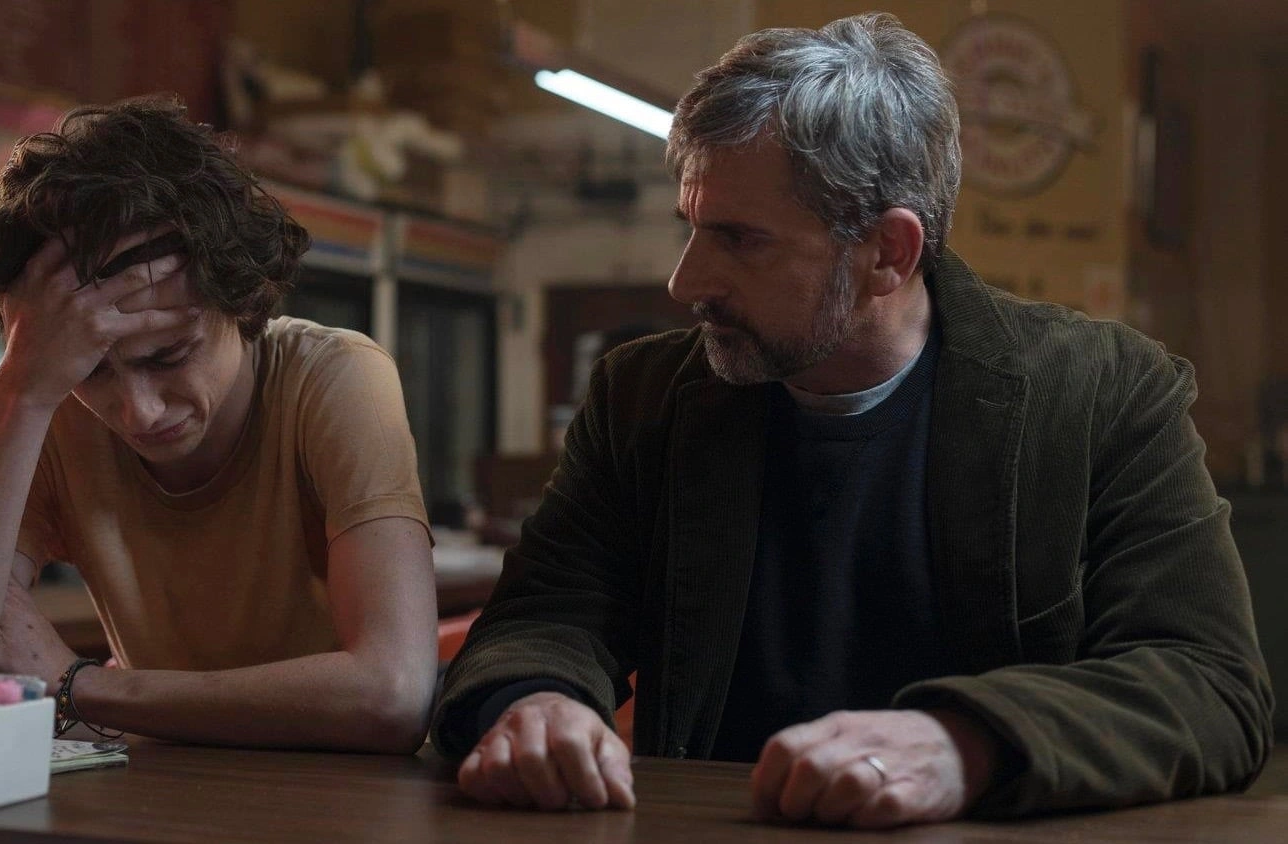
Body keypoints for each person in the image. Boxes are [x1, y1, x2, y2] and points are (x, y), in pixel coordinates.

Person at [432, 13, 1272, 826]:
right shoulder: (643, 396)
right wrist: (534, 701)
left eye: (740, 239)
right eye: (691, 227)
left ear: (888, 253)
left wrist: (966, 743)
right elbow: (544, 617)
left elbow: (1208, 683)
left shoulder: (1105, 394)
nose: (686, 283)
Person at [0, 97, 437, 753]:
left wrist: (80, 687)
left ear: (241, 300)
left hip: (336, 792)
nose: (139, 412)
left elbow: (392, 694)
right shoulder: (34, 403)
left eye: (168, 356)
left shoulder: (333, 377)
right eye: (93, 372)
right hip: (154, 786)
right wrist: (21, 392)